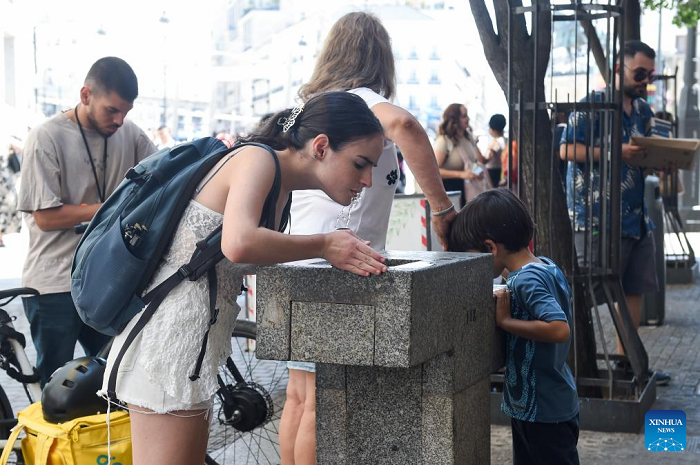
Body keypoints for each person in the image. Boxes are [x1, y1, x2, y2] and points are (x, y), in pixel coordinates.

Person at [100, 91, 388, 465]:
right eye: (361, 163)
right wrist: (324, 245)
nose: (367, 180)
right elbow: (239, 243)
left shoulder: (280, 182)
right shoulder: (258, 159)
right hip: (167, 343)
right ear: (321, 146)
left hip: (194, 345)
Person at [281, 11, 456, 465]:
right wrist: (443, 209)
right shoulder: (361, 103)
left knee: (300, 396)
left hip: (300, 258)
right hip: (337, 260)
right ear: (381, 59)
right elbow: (407, 127)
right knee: (322, 398)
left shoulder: (320, 105)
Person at [17, 57, 158, 386]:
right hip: (53, 283)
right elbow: (47, 217)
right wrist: (110, 208)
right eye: (112, 110)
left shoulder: (131, 134)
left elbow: (163, 178)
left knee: (116, 380)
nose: (120, 120)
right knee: (55, 387)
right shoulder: (46, 137)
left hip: (107, 281)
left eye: (126, 112)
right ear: (85, 96)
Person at [559, 40, 670, 385]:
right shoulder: (592, 105)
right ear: (619, 69)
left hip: (636, 216)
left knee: (634, 289)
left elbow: (643, 157)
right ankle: (570, 363)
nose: (645, 81)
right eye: (640, 73)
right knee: (589, 292)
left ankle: (627, 364)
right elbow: (565, 150)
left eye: (649, 75)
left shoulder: (644, 111)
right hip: (597, 218)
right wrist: (615, 151)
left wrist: (662, 162)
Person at [449, 188, 580, 465]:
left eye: (474, 257)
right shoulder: (544, 266)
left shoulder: (525, 280)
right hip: (550, 403)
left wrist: (506, 321)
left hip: (542, 412)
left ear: (490, 247)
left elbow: (559, 328)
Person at [434, 103, 488, 207]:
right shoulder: (444, 141)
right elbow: (435, 171)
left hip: (469, 190)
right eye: (464, 116)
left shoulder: (468, 137)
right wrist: (461, 174)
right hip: (451, 192)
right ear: (454, 119)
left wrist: (477, 172)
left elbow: (477, 161)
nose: (467, 119)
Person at [485, 114, 506, 187]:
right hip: (501, 171)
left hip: (493, 173)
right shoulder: (505, 140)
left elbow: (486, 159)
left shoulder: (495, 142)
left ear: (492, 129)